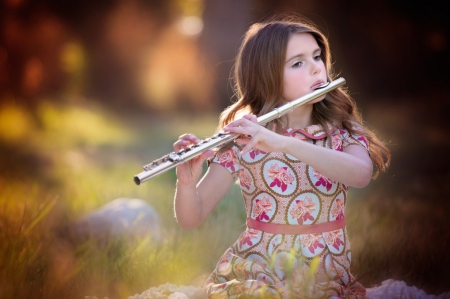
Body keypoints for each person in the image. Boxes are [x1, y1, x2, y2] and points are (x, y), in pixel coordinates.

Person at [172, 14, 390, 299]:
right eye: (298, 63)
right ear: (267, 75)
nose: (316, 69)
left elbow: (360, 174)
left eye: (316, 57)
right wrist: (186, 184)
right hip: (256, 270)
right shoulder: (245, 137)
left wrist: (284, 143)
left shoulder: (342, 130)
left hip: (321, 272)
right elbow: (191, 218)